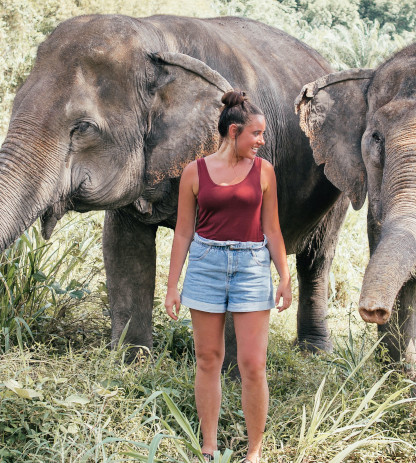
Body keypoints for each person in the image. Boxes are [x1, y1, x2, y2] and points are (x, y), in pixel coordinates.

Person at [164, 90, 292, 463]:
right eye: (256, 134)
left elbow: (272, 228)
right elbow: (183, 232)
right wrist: (172, 285)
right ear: (234, 132)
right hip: (205, 265)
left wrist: (284, 276)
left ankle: (254, 452)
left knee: (253, 363)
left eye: (262, 135)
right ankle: (209, 446)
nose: (261, 141)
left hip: (252, 267)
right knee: (208, 358)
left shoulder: (264, 171)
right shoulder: (195, 172)